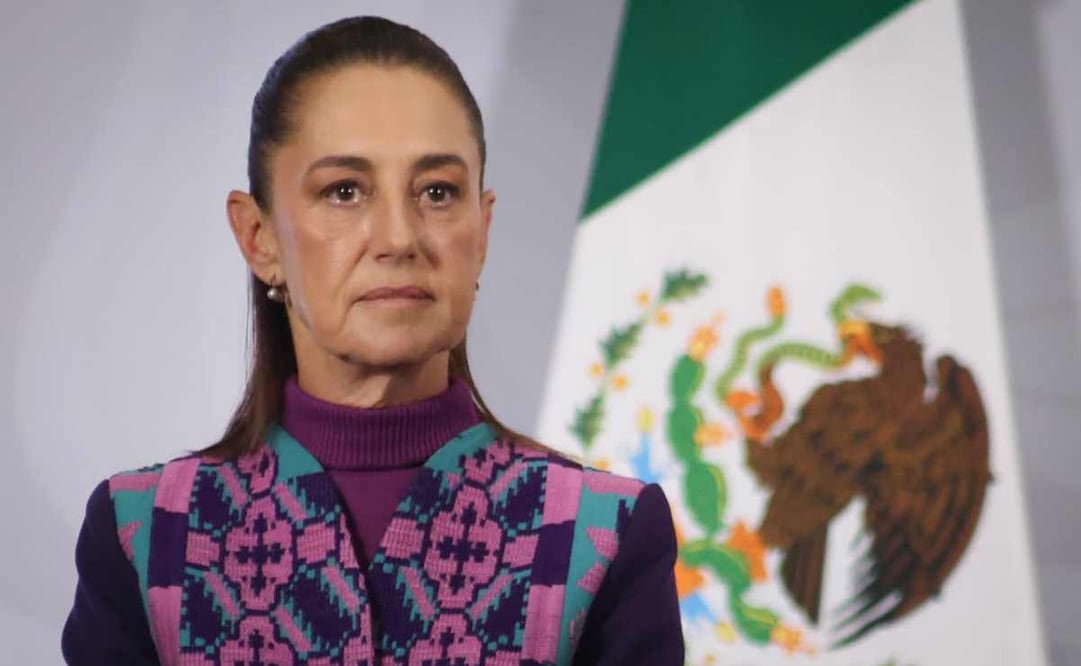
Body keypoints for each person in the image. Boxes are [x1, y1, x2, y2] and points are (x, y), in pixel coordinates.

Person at [61, 16, 683, 666]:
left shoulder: (601, 535)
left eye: (437, 192)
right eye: (345, 191)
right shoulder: (144, 535)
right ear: (259, 237)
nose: (397, 237)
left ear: (483, 227)